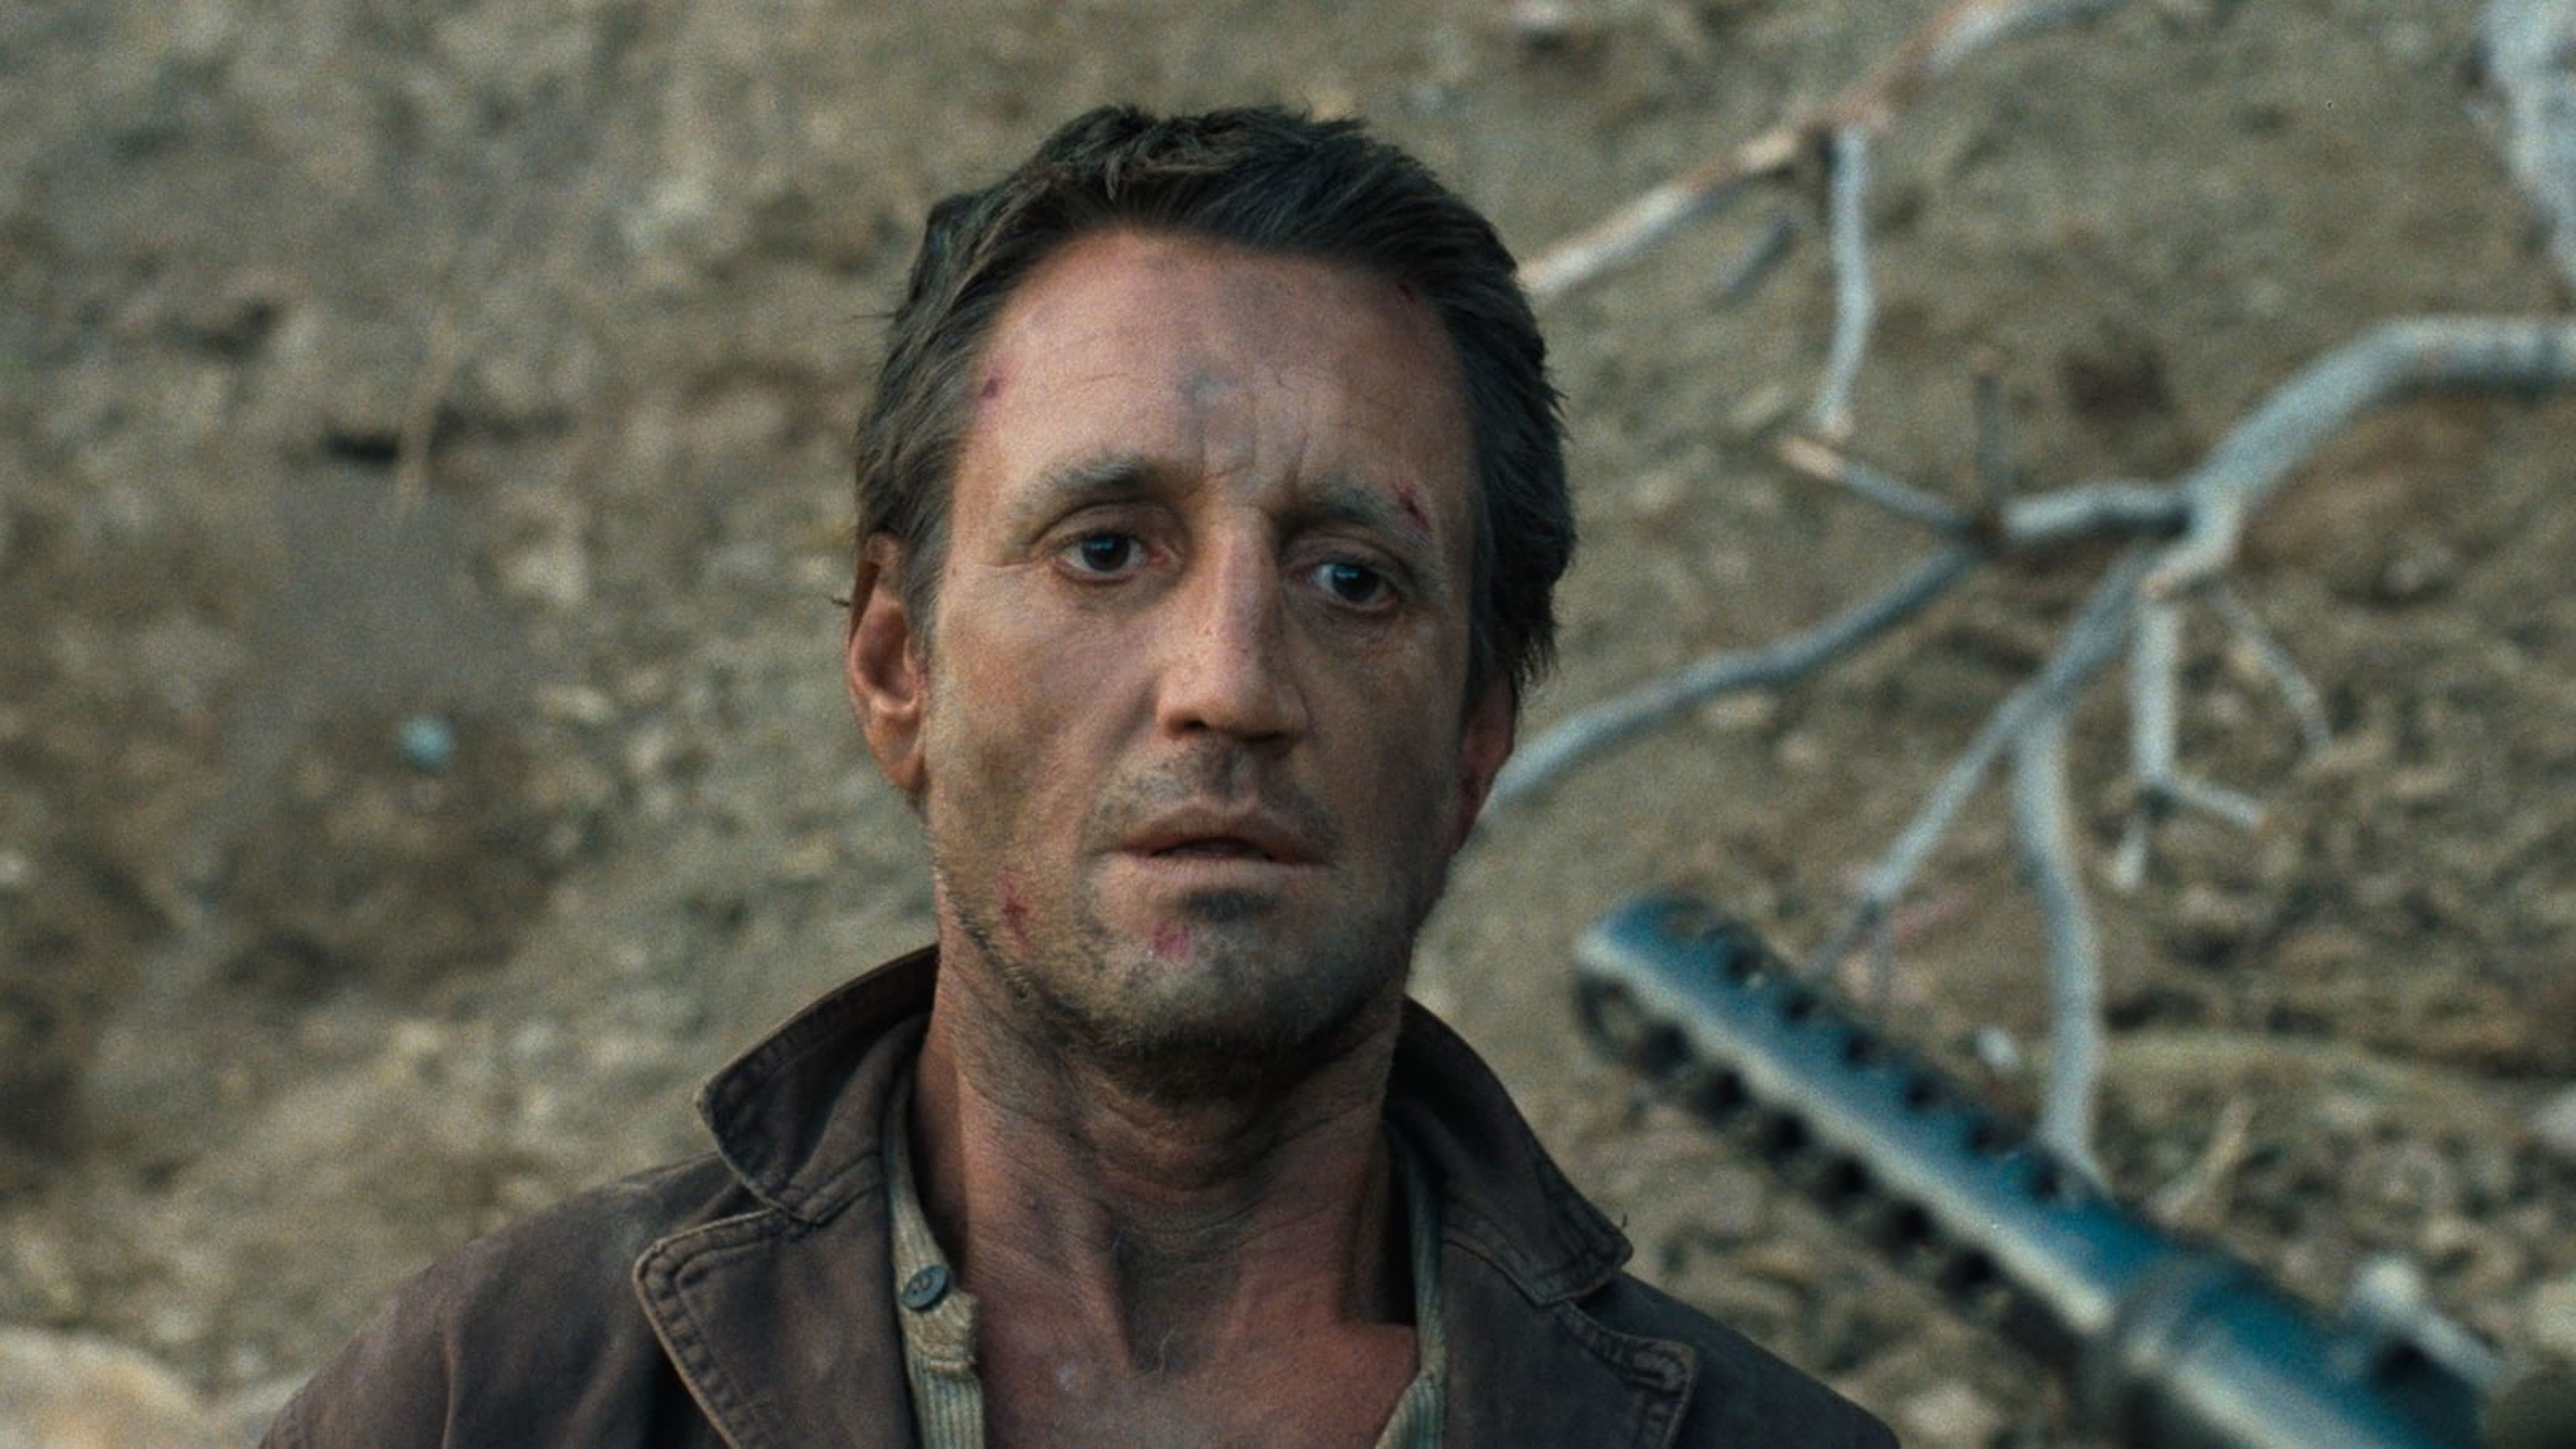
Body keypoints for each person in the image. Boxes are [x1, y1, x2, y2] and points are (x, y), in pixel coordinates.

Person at [267, 105, 1895, 1447]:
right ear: (898, 667)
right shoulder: (496, 1397)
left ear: (1478, 733)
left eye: (1352, 580)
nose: (1230, 685)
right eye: (1106, 551)